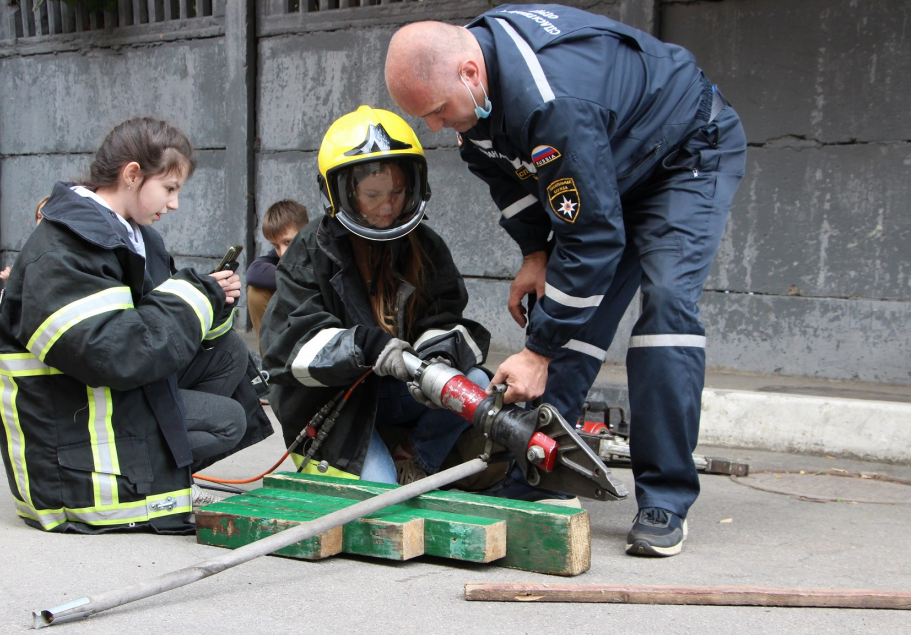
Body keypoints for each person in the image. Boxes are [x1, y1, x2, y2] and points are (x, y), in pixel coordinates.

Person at [385, 6, 747, 556]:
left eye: (436, 111)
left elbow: (593, 239)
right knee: (562, 314)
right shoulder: (471, 102)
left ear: (469, 72)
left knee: (666, 307)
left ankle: (665, 499)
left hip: (683, 154)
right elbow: (510, 178)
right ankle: (543, 475)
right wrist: (534, 253)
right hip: (608, 160)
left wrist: (536, 351)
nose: (433, 126)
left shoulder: (551, 101)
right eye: (424, 117)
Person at [0, 117, 273, 534]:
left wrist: (215, 302)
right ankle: (150, 481)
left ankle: (162, 468)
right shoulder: (63, 248)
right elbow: (114, 353)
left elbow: (161, 322)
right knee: (228, 419)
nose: (174, 203)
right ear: (133, 174)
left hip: (114, 393)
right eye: (170, 189)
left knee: (228, 353)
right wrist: (195, 296)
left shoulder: (137, 237)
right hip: (74, 434)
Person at [260, 106, 491, 485]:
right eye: (373, 194)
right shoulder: (311, 250)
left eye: (398, 192)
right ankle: (382, 468)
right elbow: (288, 349)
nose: (388, 206)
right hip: (335, 408)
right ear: (341, 192)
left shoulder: (426, 245)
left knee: (476, 383)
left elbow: (446, 317)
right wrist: (366, 347)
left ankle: (415, 456)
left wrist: (438, 356)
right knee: (380, 491)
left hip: (400, 393)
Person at [0, 196, 51, 380]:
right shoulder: (34, 247)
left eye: (46, 216)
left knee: (13, 300)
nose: (41, 221)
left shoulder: (55, 249)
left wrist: (16, 281)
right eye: (38, 217)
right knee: (9, 297)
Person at [244, 199, 309, 353]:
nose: (283, 252)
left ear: (305, 232)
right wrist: (297, 279)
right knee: (256, 292)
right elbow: (254, 272)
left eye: (288, 242)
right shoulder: (281, 256)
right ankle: (272, 364)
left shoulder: (322, 247)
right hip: (290, 327)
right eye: (276, 245)